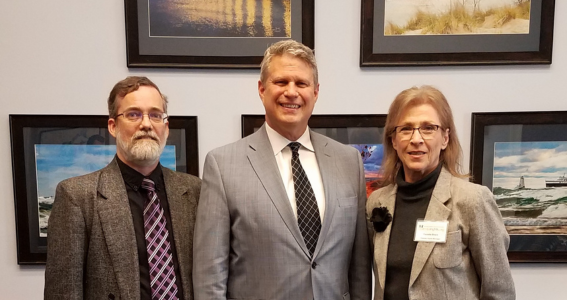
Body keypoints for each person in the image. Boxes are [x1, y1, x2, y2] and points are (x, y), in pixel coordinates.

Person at [193, 40, 372, 300]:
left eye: (301, 83)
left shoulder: (349, 162)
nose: (291, 92)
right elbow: (210, 275)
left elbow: (359, 269)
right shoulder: (222, 165)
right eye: (281, 82)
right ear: (262, 89)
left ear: (316, 92)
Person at [44, 76, 201, 300]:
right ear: (113, 126)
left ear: (165, 128)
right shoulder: (77, 196)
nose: (146, 124)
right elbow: (63, 291)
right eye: (133, 114)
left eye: (155, 115)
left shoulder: (194, 191)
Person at [367, 86, 515, 300]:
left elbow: (499, 292)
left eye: (428, 128)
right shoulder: (377, 202)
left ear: (445, 138)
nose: (416, 139)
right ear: (394, 140)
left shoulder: (473, 201)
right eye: (406, 129)